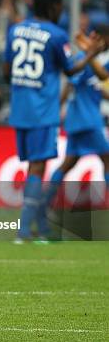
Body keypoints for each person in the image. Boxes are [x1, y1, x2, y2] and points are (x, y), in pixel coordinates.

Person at [4, 0, 102, 244]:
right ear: (51, 7)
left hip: (19, 108)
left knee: (33, 167)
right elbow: (71, 70)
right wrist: (91, 54)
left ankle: (42, 228)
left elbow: (6, 72)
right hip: (42, 111)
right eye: (59, 6)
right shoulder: (57, 35)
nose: (61, 11)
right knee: (38, 167)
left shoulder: (15, 30)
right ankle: (24, 231)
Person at [44, 26, 109, 215]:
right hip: (88, 119)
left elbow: (85, 86)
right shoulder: (89, 59)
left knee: (68, 164)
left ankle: (43, 205)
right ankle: (43, 205)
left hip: (75, 120)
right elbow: (102, 76)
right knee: (107, 159)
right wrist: (90, 53)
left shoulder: (83, 58)